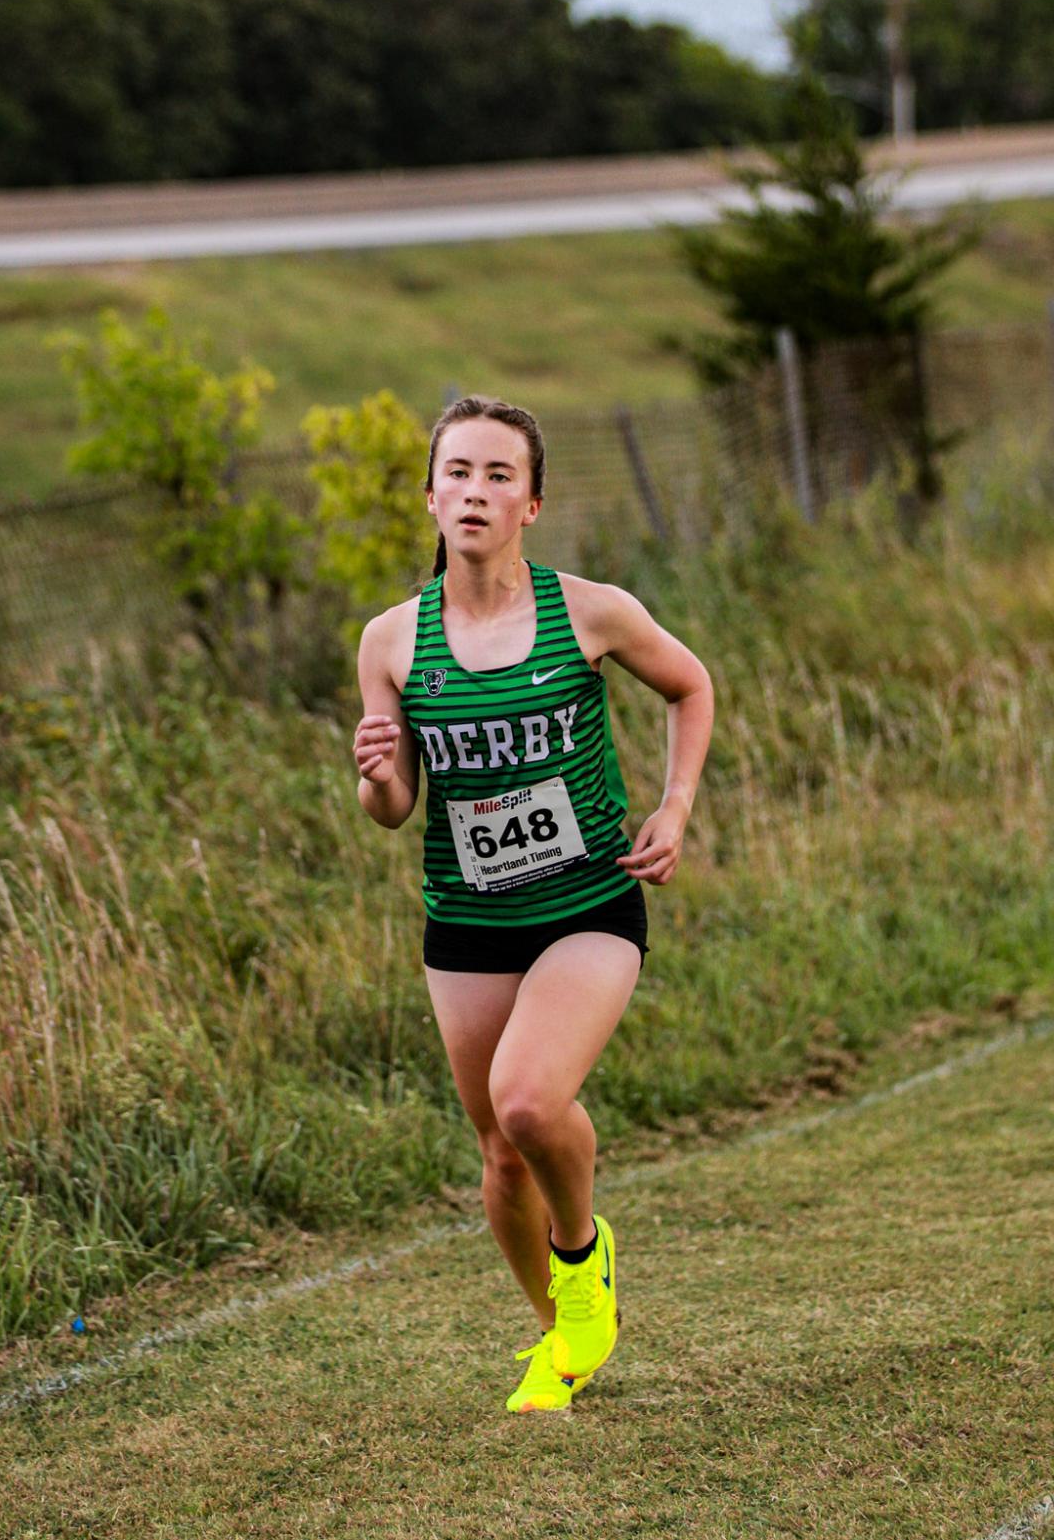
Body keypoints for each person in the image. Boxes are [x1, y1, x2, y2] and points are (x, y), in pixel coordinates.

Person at [353, 395, 714, 1413]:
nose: (474, 491)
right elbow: (390, 811)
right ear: (429, 497)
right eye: (457, 472)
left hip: (589, 900)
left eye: (497, 475)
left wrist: (674, 805)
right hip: (465, 922)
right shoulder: (389, 641)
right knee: (498, 1158)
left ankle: (581, 1253)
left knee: (526, 1100)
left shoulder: (588, 610)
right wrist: (375, 773)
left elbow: (690, 687)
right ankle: (560, 1343)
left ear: (532, 503)